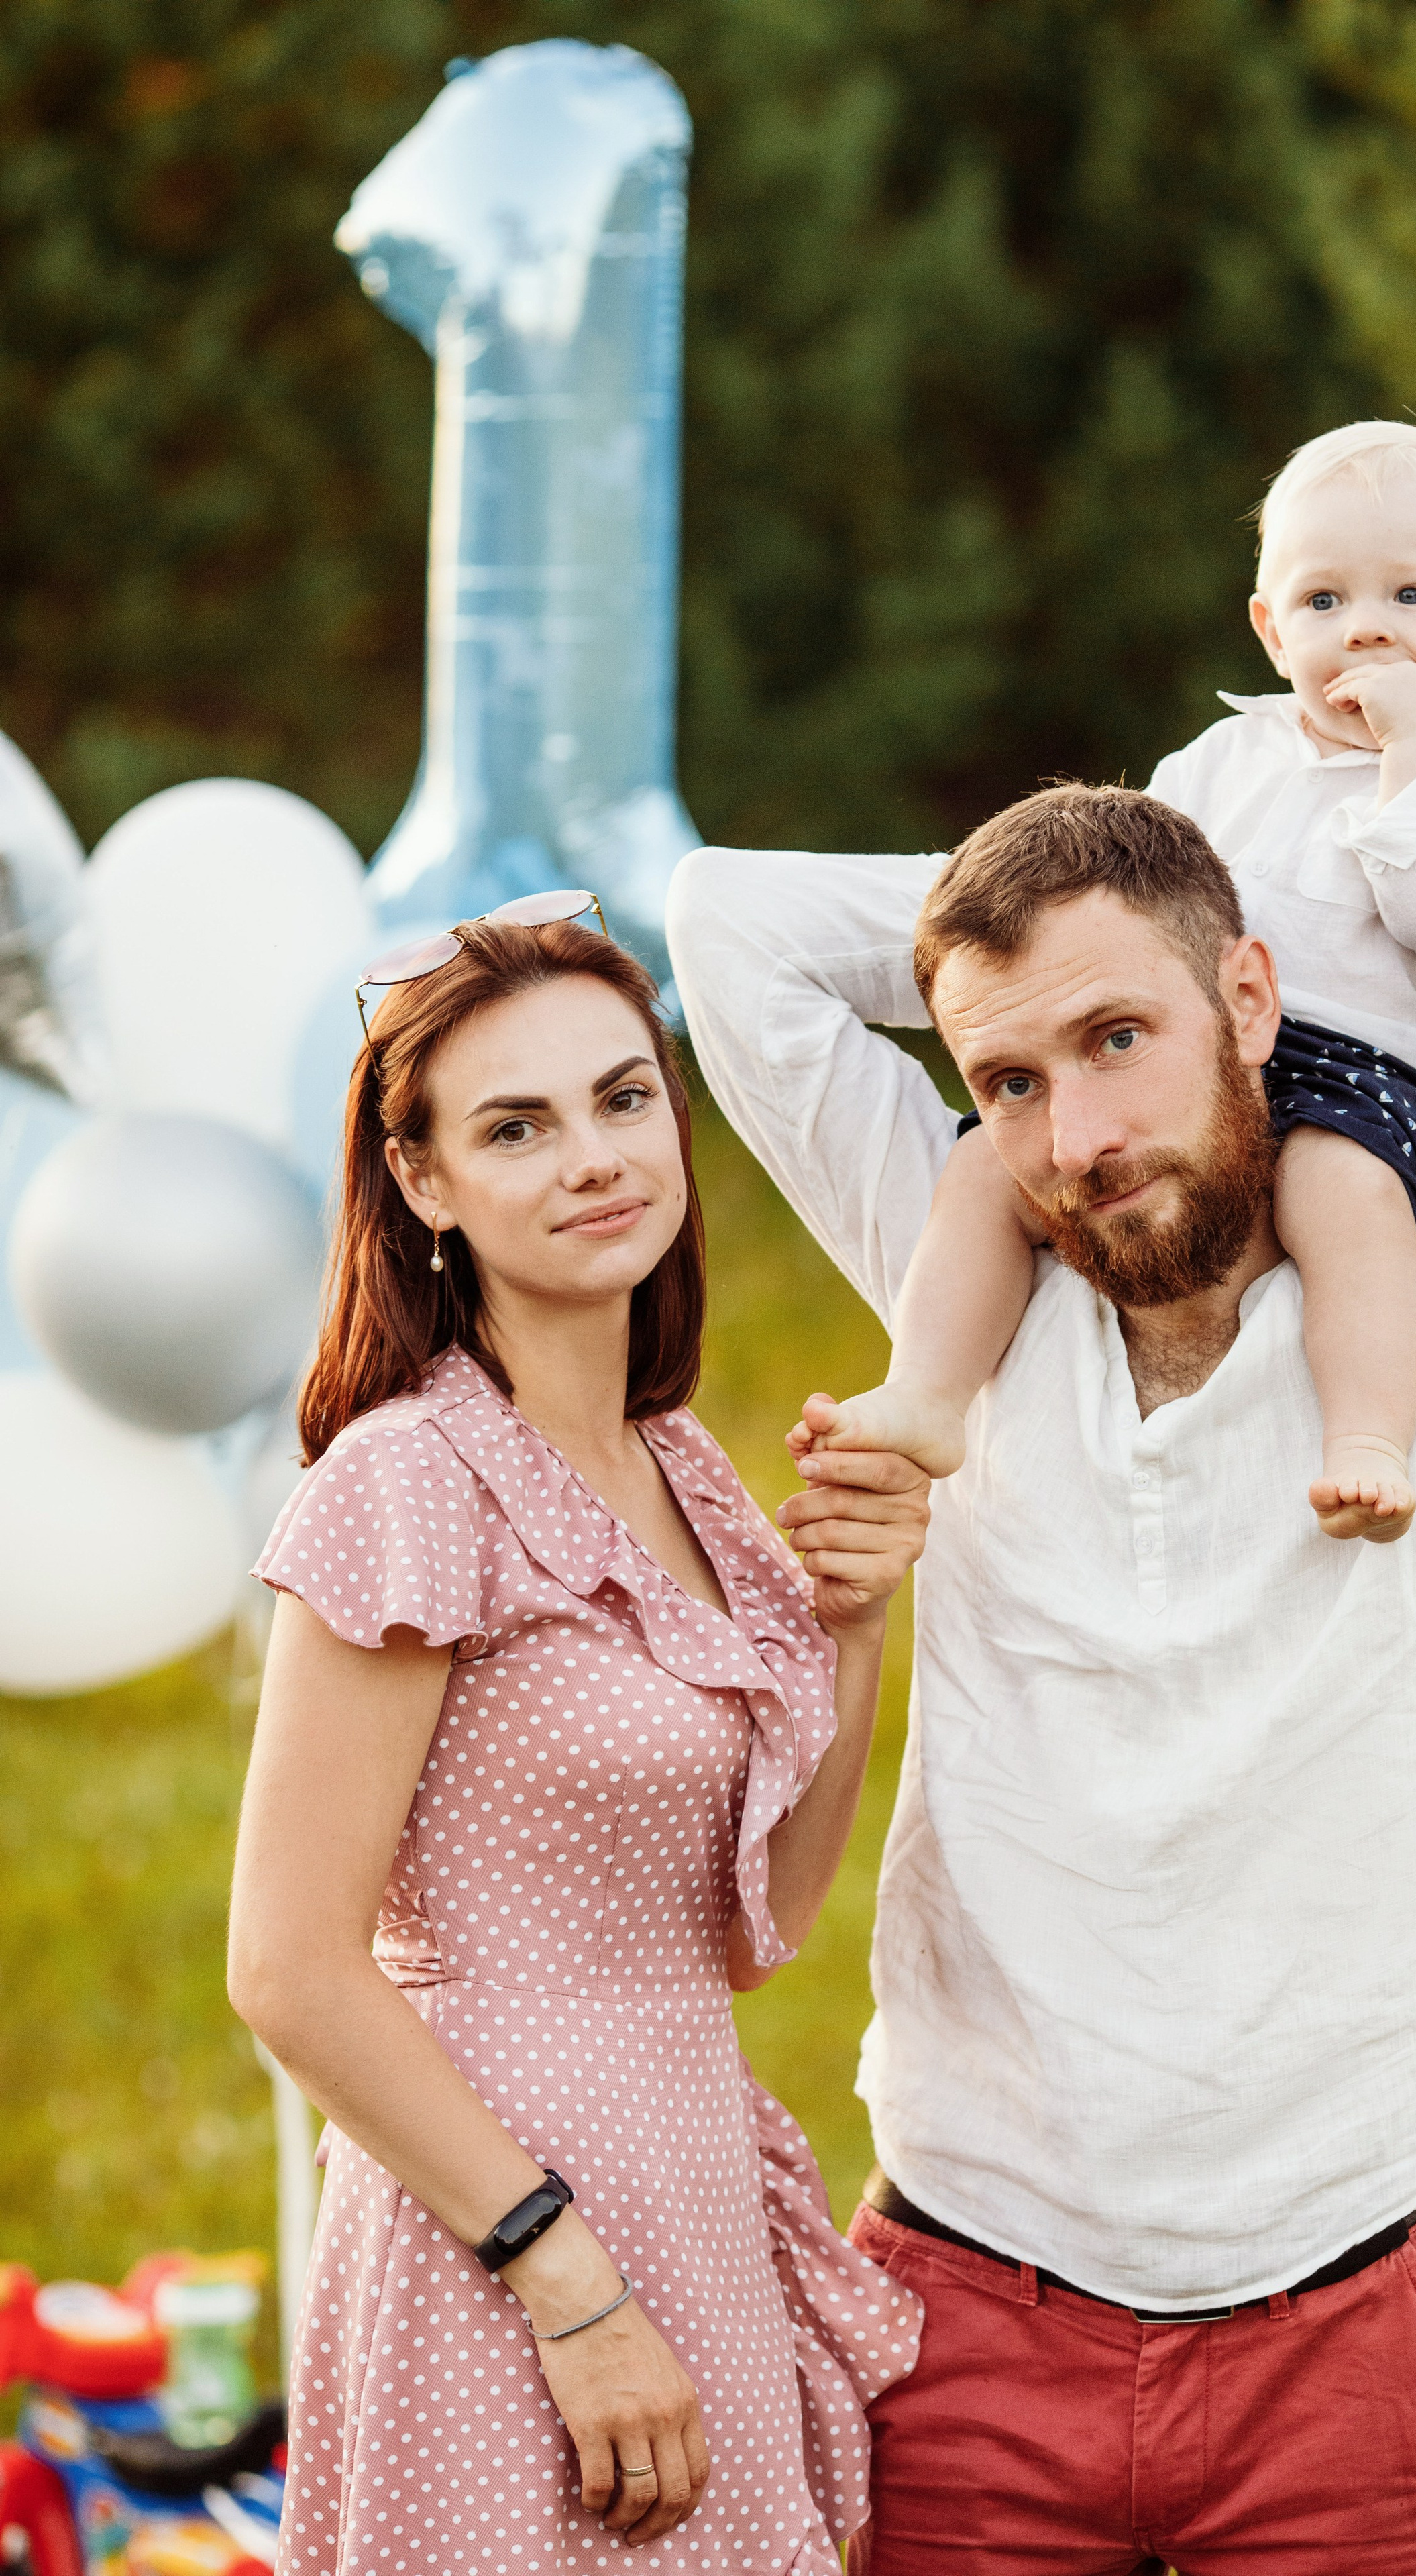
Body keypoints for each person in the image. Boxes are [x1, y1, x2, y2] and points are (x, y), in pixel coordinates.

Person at [665, 767, 1416, 2573]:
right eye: (1011, 1082)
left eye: (1122, 1036)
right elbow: (724, 921)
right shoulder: (961, 1300)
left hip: (1352, 2306)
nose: (1076, 1137)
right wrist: (1075, 940)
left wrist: (1251, 867)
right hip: (969, 2287)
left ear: (1257, 996)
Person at [227, 903, 929, 2573]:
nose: (594, 1157)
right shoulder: (406, 1483)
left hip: (685, 2173)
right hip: (499, 2236)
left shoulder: (683, 1473)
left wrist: (851, 1620)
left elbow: (760, 1918)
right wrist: (565, 2281)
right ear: (422, 1183)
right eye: (514, 1126)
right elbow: (291, 1970)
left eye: (623, 1099)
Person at [794, 423, 1416, 1542]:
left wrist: (1413, 755)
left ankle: (1369, 1437)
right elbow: (1144, 897)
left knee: (1349, 1207)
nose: (1367, 628)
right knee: (987, 1178)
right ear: (1268, 625)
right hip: (1202, 1044)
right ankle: (932, 1392)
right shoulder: (1218, 761)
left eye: (1413, 598)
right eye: (1324, 601)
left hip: (1365, 1083)